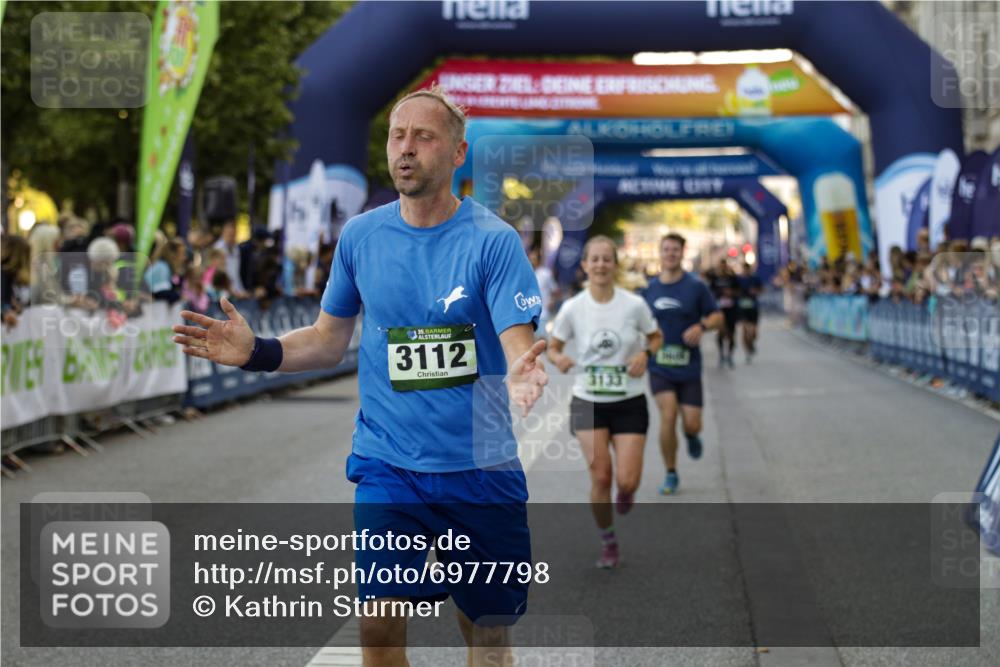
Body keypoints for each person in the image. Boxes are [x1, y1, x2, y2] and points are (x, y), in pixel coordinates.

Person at [172, 86, 547, 667]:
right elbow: (326, 340)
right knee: (376, 626)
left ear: (457, 153)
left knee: (487, 633)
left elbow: (515, 337)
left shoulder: (493, 242)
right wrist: (258, 351)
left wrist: (522, 371)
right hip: (388, 466)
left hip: (479, 470)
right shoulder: (361, 237)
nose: (407, 148)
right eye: (398, 136)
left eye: (424, 137)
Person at [546, 235, 661, 569]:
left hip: (629, 399)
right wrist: (558, 359)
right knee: (600, 477)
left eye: (606, 259)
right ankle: (608, 540)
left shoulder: (633, 305)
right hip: (588, 400)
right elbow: (554, 346)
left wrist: (645, 353)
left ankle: (626, 493)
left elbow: (655, 336)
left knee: (626, 481)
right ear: (584, 265)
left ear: (615, 264)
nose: (600, 265)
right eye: (593, 259)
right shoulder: (573, 308)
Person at [642, 234, 722, 495]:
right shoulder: (649, 289)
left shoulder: (696, 287)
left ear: (682, 252)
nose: (670, 254)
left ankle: (690, 435)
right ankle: (671, 472)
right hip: (659, 365)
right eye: (666, 249)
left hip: (689, 367)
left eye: (675, 249)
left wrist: (702, 326)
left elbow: (718, 317)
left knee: (691, 423)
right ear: (660, 253)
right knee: (668, 414)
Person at [705, 257, 739, 367]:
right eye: (721, 266)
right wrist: (720, 293)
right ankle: (721, 355)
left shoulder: (732, 277)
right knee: (721, 333)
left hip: (731, 310)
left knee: (731, 334)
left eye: (724, 265)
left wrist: (731, 293)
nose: (723, 268)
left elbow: (739, 291)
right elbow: (710, 292)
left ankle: (730, 355)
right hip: (720, 310)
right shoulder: (715, 278)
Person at [736, 262, 762, 364]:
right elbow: (734, 290)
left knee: (754, 332)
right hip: (742, 308)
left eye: (748, 269)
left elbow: (761, 289)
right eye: (744, 269)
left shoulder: (755, 278)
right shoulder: (739, 279)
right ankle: (747, 351)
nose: (746, 271)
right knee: (746, 331)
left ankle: (751, 344)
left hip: (753, 308)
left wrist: (756, 291)